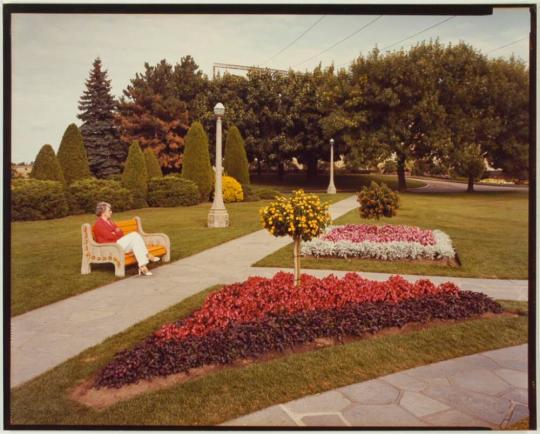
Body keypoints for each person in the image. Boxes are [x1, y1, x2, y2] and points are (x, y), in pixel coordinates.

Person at [93, 201, 159, 276]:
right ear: (103, 212)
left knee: (136, 242)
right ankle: (147, 255)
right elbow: (109, 237)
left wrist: (114, 233)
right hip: (111, 247)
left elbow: (121, 233)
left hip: (117, 243)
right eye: (109, 210)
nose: (111, 212)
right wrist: (115, 232)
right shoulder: (99, 224)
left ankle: (142, 266)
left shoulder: (110, 222)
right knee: (134, 235)